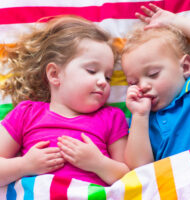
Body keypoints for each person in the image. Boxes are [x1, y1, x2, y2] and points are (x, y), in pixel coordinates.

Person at [0, 15, 129, 187]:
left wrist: (98, 163)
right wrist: (25, 165)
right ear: (54, 74)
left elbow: (130, 177)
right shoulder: (26, 114)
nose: (103, 82)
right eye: (91, 71)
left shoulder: (112, 117)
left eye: (108, 77)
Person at [122, 3, 190, 169]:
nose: (142, 86)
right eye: (133, 83)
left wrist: (175, 20)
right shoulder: (143, 119)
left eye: (153, 74)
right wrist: (140, 116)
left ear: (185, 67)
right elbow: (138, 170)